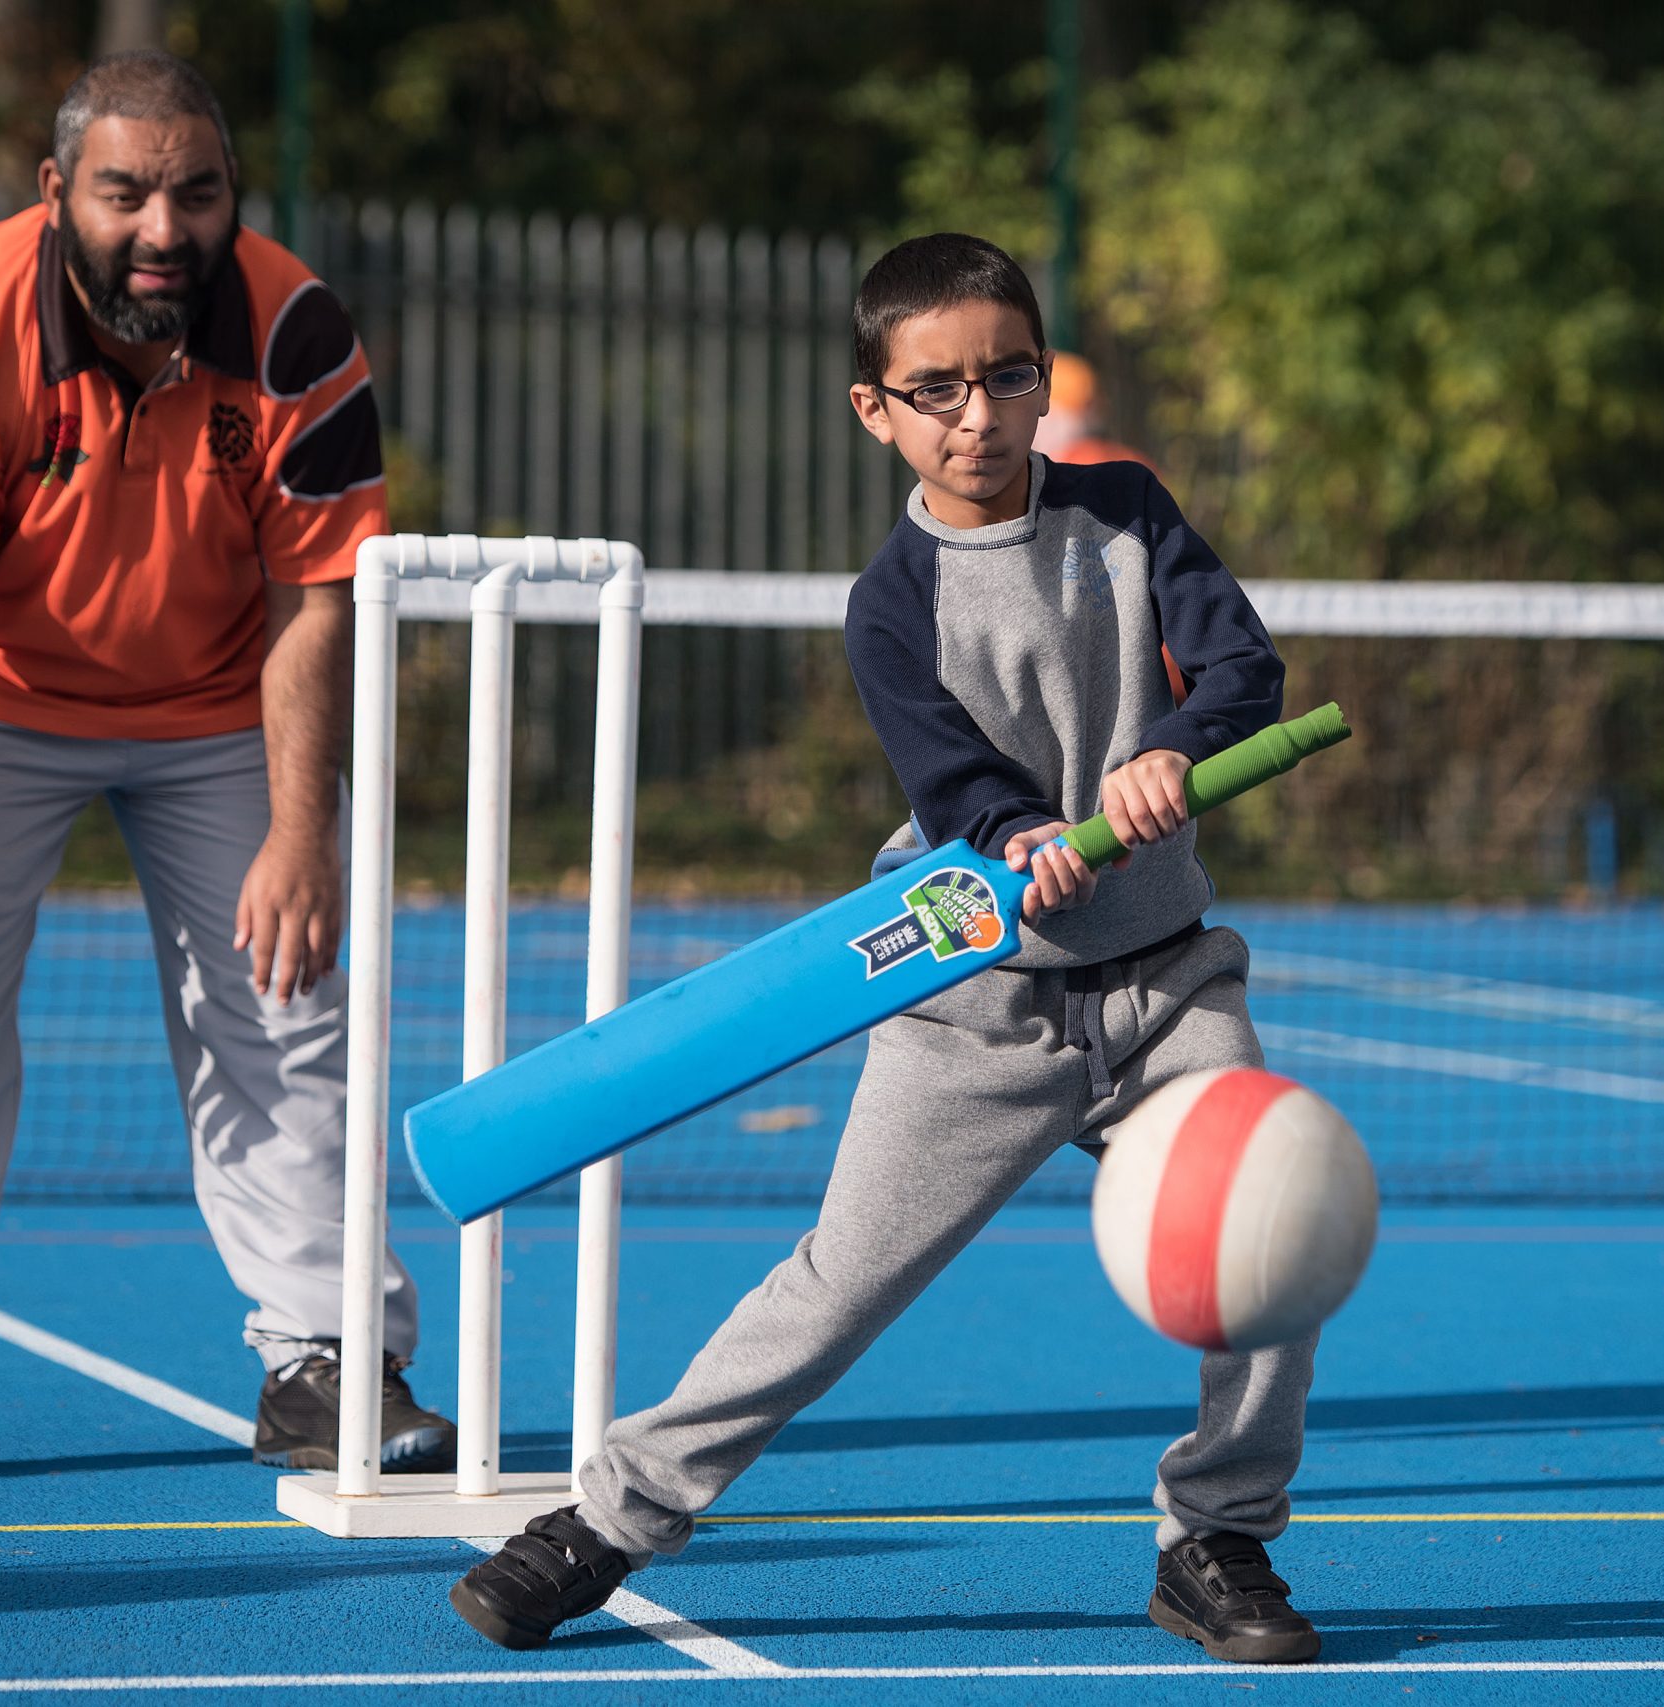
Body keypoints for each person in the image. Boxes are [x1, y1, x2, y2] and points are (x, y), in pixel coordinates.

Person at [446, 234, 1324, 1665]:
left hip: (1168, 982)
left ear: (1044, 382)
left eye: (1006, 376)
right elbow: (954, 786)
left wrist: (1171, 750)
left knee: (1268, 1239)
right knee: (837, 1284)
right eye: (938, 390)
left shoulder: (1129, 514)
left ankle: (1217, 1534)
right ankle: (606, 1518)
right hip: (972, 998)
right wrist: (1019, 833)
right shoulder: (890, 603)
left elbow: (1240, 673)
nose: (976, 413)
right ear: (877, 410)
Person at [0, 51, 452, 1484]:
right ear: (56, 194)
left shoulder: (298, 329)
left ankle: (327, 1356)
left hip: (219, 704)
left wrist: (299, 830)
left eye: (196, 192)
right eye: (127, 191)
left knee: (293, 998)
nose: (164, 227)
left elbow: (319, 593)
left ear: (229, 197)